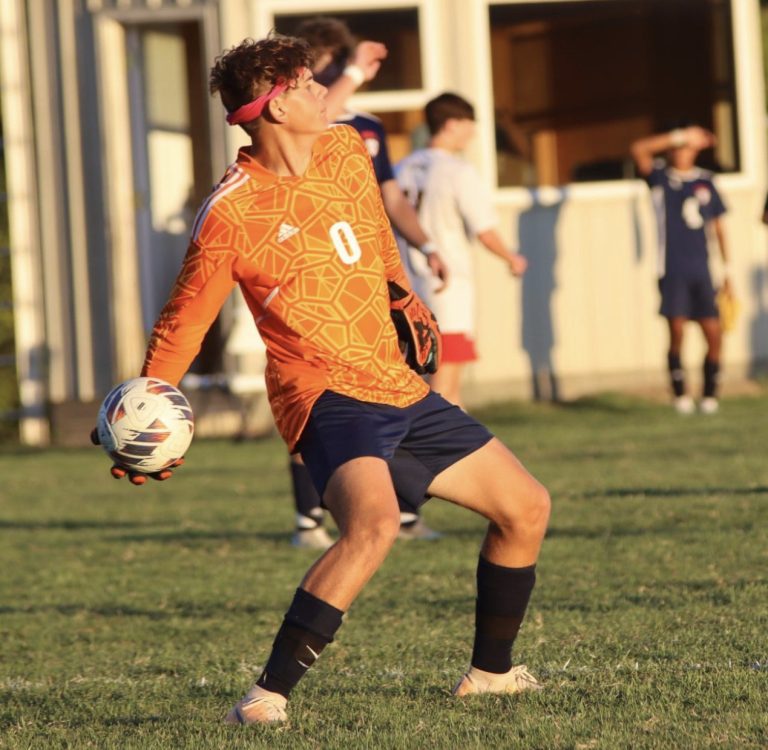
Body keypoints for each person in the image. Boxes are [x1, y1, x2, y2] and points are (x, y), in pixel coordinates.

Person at [106, 34, 550, 725]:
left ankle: (490, 675)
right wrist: (144, 412)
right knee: (373, 526)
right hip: (323, 394)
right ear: (276, 108)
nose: (325, 92)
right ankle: (264, 698)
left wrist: (402, 295)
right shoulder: (230, 213)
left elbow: (374, 236)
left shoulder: (345, 150)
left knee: (526, 508)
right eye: (308, 85)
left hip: (395, 381)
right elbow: (182, 325)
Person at [287, 16, 448, 548]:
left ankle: (403, 510)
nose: (325, 78)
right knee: (314, 396)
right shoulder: (293, 129)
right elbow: (319, 119)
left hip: (369, 284)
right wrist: (354, 72)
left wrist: (426, 246)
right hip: (311, 286)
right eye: (318, 69)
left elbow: (391, 197)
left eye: (334, 65)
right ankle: (309, 517)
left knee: (395, 390)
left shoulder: (368, 128)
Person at [395, 93, 528, 408]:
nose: (474, 132)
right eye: (470, 123)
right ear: (451, 124)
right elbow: (484, 231)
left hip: (405, 286)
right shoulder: (457, 171)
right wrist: (511, 258)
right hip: (447, 286)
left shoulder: (400, 169)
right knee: (445, 386)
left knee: (415, 380)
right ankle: (443, 438)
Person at [630, 124, 731, 414]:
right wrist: (681, 135)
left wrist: (728, 272)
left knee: (713, 331)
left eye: (688, 147)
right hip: (672, 269)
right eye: (679, 147)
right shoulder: (661, 178)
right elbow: (639, 149)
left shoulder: (706, 182)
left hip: (702, 270)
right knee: (677, 331)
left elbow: (719, 229)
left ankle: (710, 395)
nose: (683, 152)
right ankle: (680, 394)